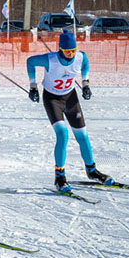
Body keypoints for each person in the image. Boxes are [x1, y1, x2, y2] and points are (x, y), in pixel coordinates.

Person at [26, 30, 112, 193]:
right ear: (60, 49)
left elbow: (85, 62)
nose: (71, 54)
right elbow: (30, 61)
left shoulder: (80, 56)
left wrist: (85, 84)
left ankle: (92, 171)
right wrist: (33, 86)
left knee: (82, 136)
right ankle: (60, 176)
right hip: (52, 99)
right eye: (67, 51)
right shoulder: (50, 60)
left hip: (71, 98)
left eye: (73, 50)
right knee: (63, 135)